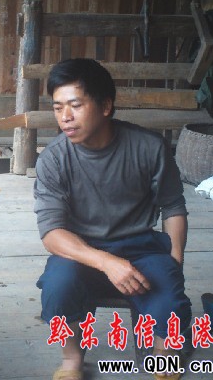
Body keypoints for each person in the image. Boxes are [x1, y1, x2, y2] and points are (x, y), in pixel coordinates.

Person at [33, 58, 192, 380]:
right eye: (58, 108)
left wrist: (175, 262)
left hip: (142, 249)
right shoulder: (53, 159)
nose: (65, 117)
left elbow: (173, 207)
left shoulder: (149, 147)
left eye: (76, 105)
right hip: (82, 251)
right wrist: (106, 262)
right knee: (57, 284)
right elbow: (51, 232)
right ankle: (72, 361)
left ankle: (164, 351)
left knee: (169, 296)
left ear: (105, 106)